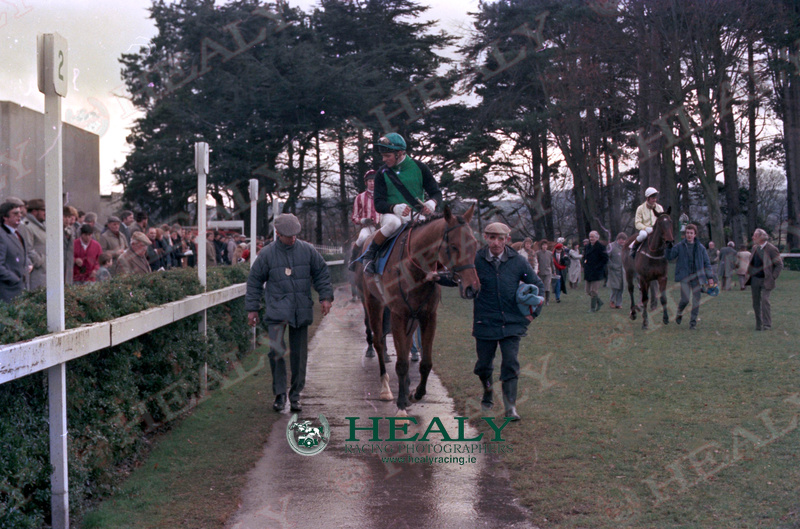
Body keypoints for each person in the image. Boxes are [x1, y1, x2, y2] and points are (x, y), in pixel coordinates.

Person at [245, 213, 333, 413]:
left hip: (300, 309)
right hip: (276, 311)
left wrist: (326, 297)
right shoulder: (267, 254)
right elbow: (254, 281)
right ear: (278, 233)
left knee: (299, 356)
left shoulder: (308, 250)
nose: (292, 238)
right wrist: (252, 308)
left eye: (295, 234)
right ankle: (279, 394)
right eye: (288, 235)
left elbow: (321, 273)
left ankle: (295, 396)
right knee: (276, 352)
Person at [472, 222, 544, 422]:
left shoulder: (518, 262)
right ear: (485, 237)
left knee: (511, 364)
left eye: (500, 238)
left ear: (507, 239)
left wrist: (532, 314)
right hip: (485, 322)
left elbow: (537, 285)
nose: (496, 243)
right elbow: (458, 278)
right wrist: (433, 277)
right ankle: (487, 392)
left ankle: (510, 407)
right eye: (492, 238)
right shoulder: (476, 259)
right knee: (484, 366)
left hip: (511, 323)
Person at [360, 133, 442, 274]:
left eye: (388, 156)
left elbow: (436, 193)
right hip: (391, 215)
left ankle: (443, 267)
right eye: (383, 156)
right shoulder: (381, 173)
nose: (384, 159)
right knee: (394, 223)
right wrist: (394, 208)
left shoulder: (420, 167)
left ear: (399, 153)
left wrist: (432, 202)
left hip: (416, 215)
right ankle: (369, 255)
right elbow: (378, 204)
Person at [666, 223, 716, 330]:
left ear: (695, 234)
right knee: (685, 299)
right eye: (687, 233)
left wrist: (710, 277)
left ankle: (693, 323)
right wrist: (668, 246)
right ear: (685, 234)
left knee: (696, 302)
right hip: (685, 277)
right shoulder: (680, 246)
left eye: (691, 233)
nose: (689, 235)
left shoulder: (701, 248)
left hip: (697, 278)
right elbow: (670, 257)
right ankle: (679, 312)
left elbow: (707, 263)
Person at [746, 229, 784, 331]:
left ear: (761, 237)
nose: (753, 238)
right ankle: (759, 324)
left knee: (765, 301)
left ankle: (767, 325)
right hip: (755, 279)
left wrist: (773, 277)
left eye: (755, 236)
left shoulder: (772, 249)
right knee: (755, 303)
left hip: (766, 280)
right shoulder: (754, 248)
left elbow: (779, 265)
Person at [348, 170, 380, 270]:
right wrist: (363, 220)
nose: (372, 183)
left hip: (382, 226)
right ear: (366, 183)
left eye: (374, 181)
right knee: (362, 238)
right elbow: (354, 217)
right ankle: (352, 259)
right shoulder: (359, 197)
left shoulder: (382, 195)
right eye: (370, 181)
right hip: (368, 227)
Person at [0, 201, 29, 302]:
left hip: (20, 288)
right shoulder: (2, 236)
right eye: (15, 213)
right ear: (5, 217)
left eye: (20, 213)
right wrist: (14, 279)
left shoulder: (18, 234)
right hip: (8, 290)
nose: (19, 216)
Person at [630, 187, 664, 259]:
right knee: (643, 235)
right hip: (645, 230)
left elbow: (662, 221)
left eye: (655, 198)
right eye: (653, 198)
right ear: (647, 198)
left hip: (656, 230)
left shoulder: (660, 208)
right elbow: (637, 223)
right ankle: (634, 248)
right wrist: (645, 228)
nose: (655, 200)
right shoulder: (640, 208)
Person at [22, 199, 46, 291]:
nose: (45, 213)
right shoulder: (26, 226)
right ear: (34, 211)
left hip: (45, 272)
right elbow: (28, 248)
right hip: (36, 272)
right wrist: (41, 260)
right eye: (43, 210)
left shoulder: (42, 225)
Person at [583, 231, 608, 312]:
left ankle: (592, 308)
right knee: (587, 291)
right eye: (590, 237)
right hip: (588, 271)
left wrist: (598, 267)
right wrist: (584, 264)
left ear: (597, 237)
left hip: (597, 272)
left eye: (593, 237)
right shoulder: (587, 246)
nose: (591, 238)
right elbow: (584, 257)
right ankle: (599, 302)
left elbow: (605, 259)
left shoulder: (601, 247)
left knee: (593, 290)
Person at [607, 232, 627, 309]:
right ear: (618, 239)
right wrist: (612, 266)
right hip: (614, 271)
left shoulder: (625, 247)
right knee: (615, 287)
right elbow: (607, 258)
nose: (623, 242)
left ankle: (619, 303)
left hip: (622, 271)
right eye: (622, 240)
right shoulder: (611, 246)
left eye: (624, 240)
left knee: (621, 287)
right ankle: (612, 301)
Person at [534, 240, 553, 305]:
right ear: (541, 246)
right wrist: (537, 269)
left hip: (548, 272)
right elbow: (536, 262)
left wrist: (554, 271)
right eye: (543, 245)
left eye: (546, 245)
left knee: (547, 286)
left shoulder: (550, 253)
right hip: (540, 272)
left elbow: (552, 263)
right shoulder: (538, 253)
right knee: (540, 286)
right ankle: (541, 299)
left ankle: (547, 300)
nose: (545, 246)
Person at [63, 205, 78, 285]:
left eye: (69, 217)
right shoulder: (56, 230)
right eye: (65, 217)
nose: (67, 219)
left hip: (68, 263)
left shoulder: (71, 229)